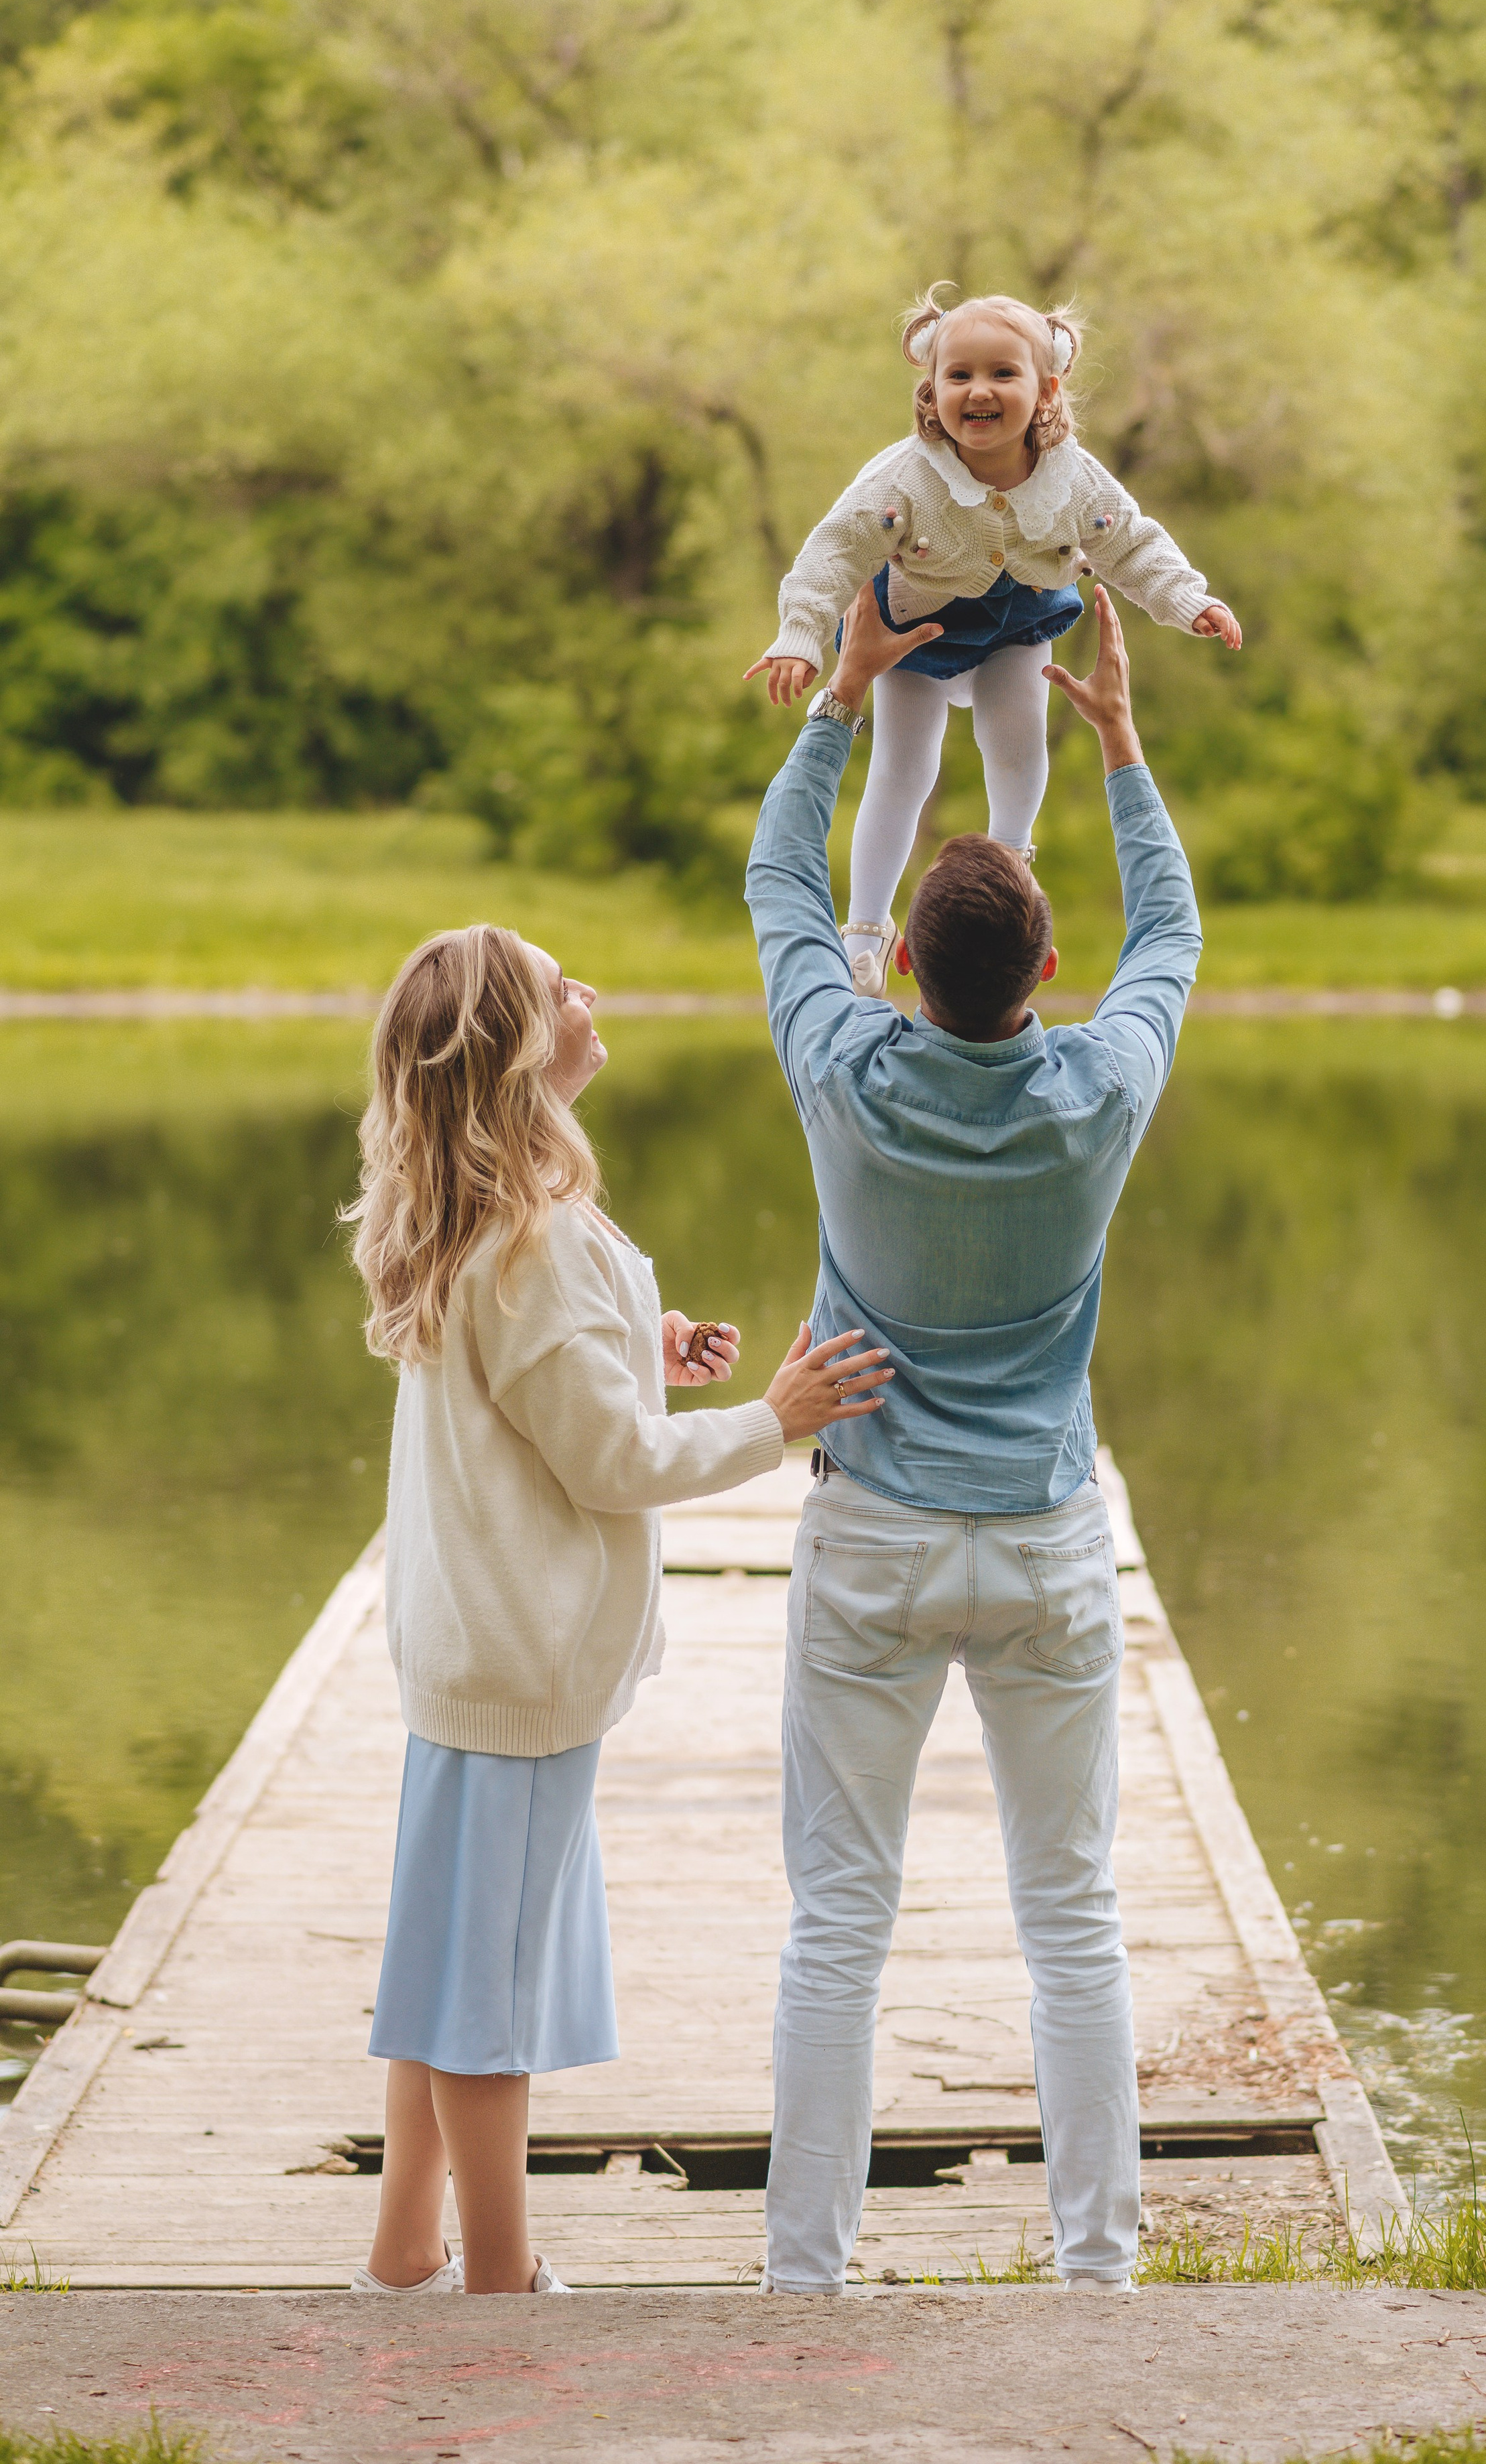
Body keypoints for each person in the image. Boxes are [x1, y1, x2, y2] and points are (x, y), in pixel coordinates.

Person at [744, 576, 1202, 2296]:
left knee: (835, 1930)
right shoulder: (1096, 1088)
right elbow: (1171, 940)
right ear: (1042, 967)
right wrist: (1119, 756)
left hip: (868, 1531)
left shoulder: (844, 1062)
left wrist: (842, 696)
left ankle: (807, 2278)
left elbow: (780, 884)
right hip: (1038, 1540)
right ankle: (1096, 2273)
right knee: (1071, 1922)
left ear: (904, 964)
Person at [340, 923, 890, 2295]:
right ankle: (498, 2283)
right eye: (558, 986)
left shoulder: (495, 1213)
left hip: (468, 1654)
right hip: (518, 1673)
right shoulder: (530, 1236)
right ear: (523, 1051)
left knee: (445, 1961)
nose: (587, 993)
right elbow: (609, 1462)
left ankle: (406, 2250)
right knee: (489, 2002)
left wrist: (637, 1350)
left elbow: (530, 1381)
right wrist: (772, 1421)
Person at [744, 285, 1239, 994]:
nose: (980, 390)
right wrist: (800, 637)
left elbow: (1130, 544)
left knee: (1016, 740)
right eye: (960, 375)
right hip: (913, 630)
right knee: (902, 767)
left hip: (1017, 622)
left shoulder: (1072, 477)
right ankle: (865, 932)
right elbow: (835, 553)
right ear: (931, 387)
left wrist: (1188, 599)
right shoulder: (904, 478)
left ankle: (1011, 862)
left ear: (1046, 387)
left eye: (1003, 374)